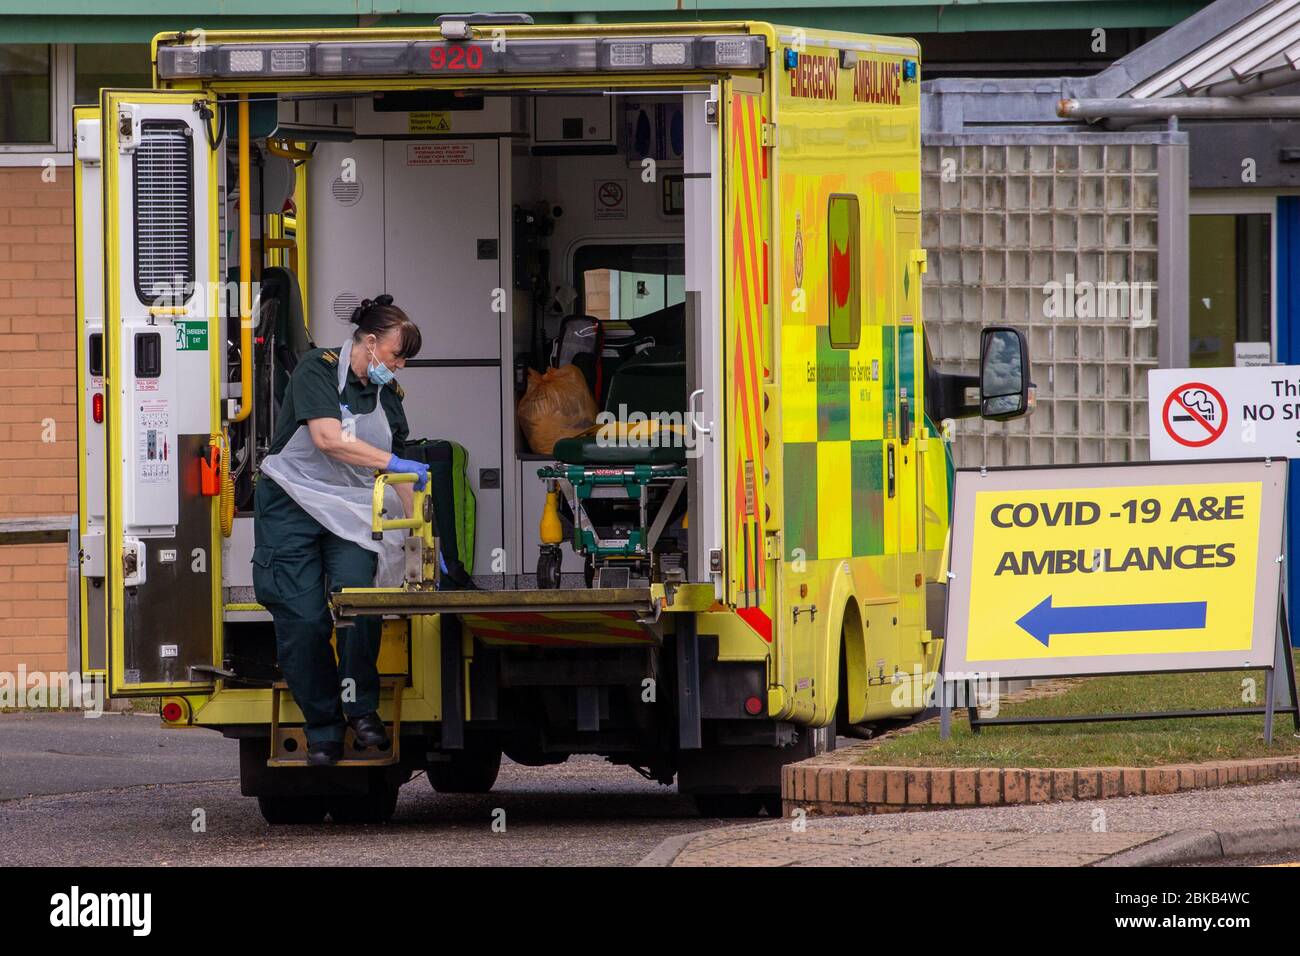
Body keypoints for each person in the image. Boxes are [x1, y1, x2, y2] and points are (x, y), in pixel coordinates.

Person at [252, 295, 430, 766]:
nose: (399, 367)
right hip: (293, 501)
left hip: (351, 510)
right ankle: (323, 728)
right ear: (369, 343)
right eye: (395, 356)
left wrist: (421, 537)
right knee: (304, 619)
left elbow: (404, 473)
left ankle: (361, 709)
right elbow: (327, 439)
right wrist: (391, 461)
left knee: (360, 601)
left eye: (404, 360)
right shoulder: (317, 368)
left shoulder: (386, 393)